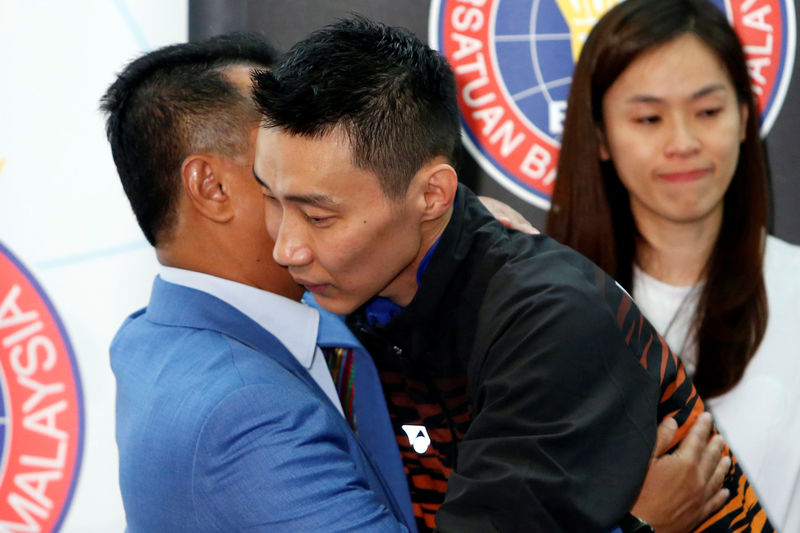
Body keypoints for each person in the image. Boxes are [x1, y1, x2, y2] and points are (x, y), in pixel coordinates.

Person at [251, 16, 769, 533]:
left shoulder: (547, 321)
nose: (285, 248)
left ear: (433, 195)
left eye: (319, 217)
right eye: (270, 199)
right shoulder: (364, 288)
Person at [100, 34, 417, 532]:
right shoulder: (246, 411)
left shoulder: (151, 332)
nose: (318, 176)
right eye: (279, 158)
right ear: (212, 188)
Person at [546, 0, 800, 529]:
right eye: (649, 118)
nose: (683, 143)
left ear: (744, 117)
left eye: (708, 112)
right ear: (599, 138)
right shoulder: (543, 311)